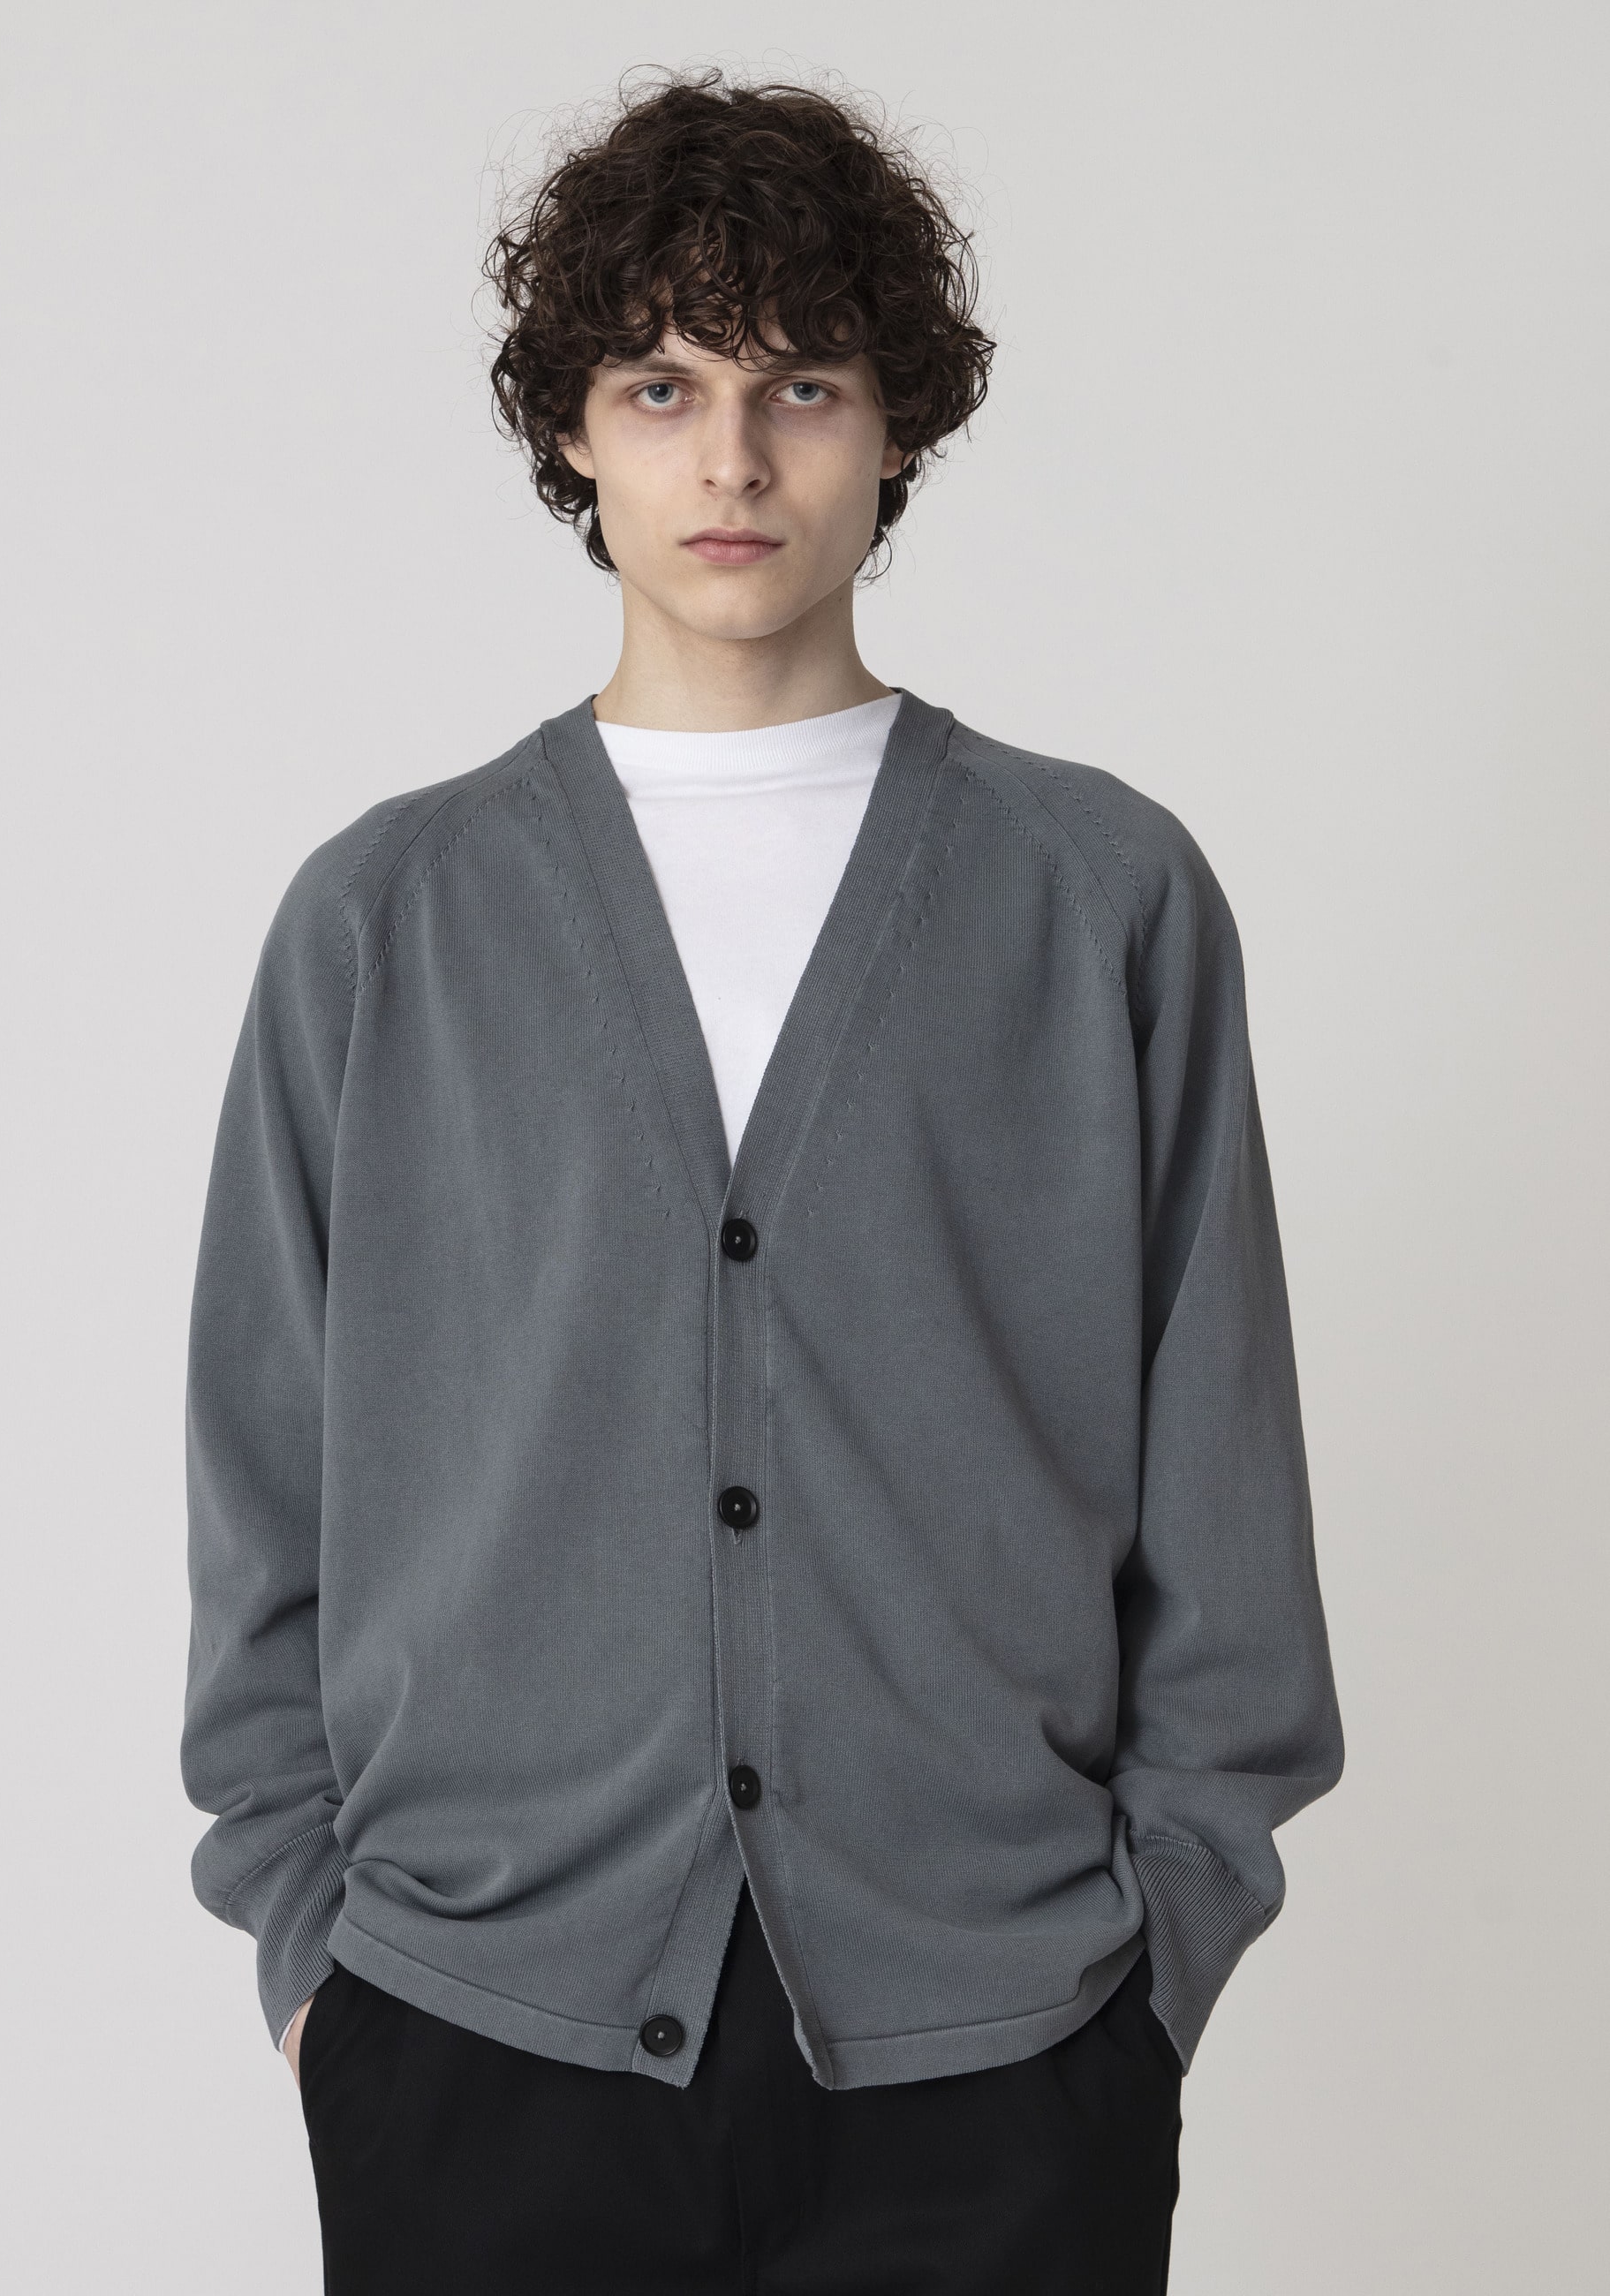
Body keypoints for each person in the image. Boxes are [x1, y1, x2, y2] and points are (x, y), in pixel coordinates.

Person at [181, 67, 1343, 2294]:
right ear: (574, 431)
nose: (731, 459)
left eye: (802, 383)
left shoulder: (1099, 893)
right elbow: (263, 1474)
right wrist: (318, 1966)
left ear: (898, 424)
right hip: (471, 2032)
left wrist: (1161, 1962)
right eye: (662, 385)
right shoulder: (386, 916)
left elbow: (1221, 1463)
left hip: (1005, 2050)